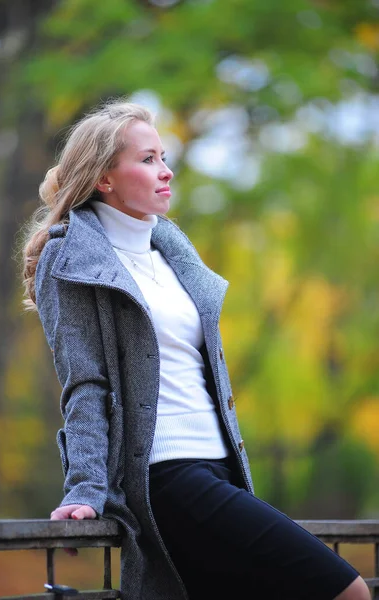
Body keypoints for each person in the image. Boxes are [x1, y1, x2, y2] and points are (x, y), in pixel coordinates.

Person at [21, 99, 370, 600]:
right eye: (147, 160)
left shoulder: (169, 252)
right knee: (348, 589)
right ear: (104, 178)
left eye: (164, 157)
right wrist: (85, 487)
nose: (165, 172)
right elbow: (85, 382)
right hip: (168, 473)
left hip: (222, 463)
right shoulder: (72, 256)